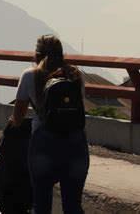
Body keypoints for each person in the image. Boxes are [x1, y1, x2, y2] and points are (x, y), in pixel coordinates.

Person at [8, 34, 89, 213]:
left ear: (36, 55)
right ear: (62, 54)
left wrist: (14, 122)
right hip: (76, 144)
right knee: (73, 206)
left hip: (44, 145)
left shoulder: (30, 75)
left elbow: (19, 117)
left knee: (42, 205)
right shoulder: (76, 75)